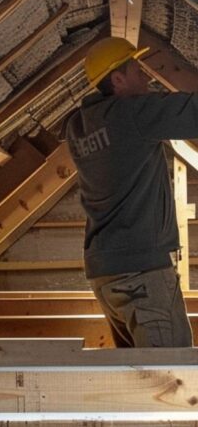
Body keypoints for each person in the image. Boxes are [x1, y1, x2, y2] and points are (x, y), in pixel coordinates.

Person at [64, 36, 193, 347]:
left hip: (105, 274)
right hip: (142, 273)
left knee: (137, 375)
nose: (147, 76)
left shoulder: (77, 126)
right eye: (138, 70)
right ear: (118, 79)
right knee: (170, 379)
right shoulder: (131, 114)